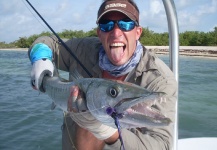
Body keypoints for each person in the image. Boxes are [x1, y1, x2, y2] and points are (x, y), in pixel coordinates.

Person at [28, 0, 177, 149]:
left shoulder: (160, 80)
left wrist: (104, 130)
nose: (116, 33)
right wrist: (40, 57)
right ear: (99, 33)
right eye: (107, 25)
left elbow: (162, 145)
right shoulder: (83, 49)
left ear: (138, 32)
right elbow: (48, 42)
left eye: (126, 24)